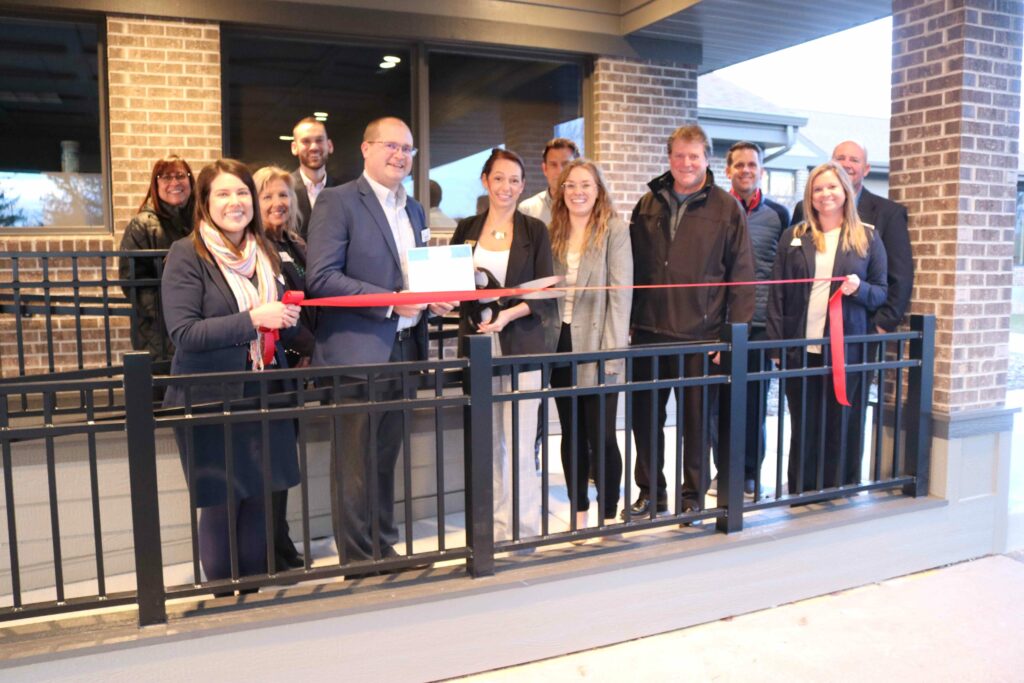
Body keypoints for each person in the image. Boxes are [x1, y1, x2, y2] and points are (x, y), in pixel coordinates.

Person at [306, 117, 453, 564]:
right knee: (354, 463)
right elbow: (322, 279)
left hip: (406, 348)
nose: (400, 155)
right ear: (366, 149)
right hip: (357, 352)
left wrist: (434, 300)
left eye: (408, 148)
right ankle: (358, 559)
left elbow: (415, 279)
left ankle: (383, 546)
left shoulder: (414, 209)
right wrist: (391, 302)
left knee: (386, 457)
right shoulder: (338, 201)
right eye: (391, 146)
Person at [161, 158, 302, 587]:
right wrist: (255, 318)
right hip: (210, 396)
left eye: (242, 192)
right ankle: (226, 601)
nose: (235, 202)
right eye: (222, 193)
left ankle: (254, 599)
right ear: (205, 202)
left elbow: (281, 316)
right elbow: (184, 332)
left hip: (266, 388)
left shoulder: (265, 252)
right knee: (223, 503)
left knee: (262, 499)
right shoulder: (187, 254)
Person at [627, 124, 755, 517]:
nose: (686, 163)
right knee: (645, 419)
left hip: (701, 336)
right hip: (648, 332)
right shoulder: (646, 204)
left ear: (706, 160)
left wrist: (729, 337)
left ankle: (692, 497)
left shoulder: (725, 208)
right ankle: (651, 493)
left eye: (694, 156)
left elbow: (742, 276)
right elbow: (630, 268)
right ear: (670, 158)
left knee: (697, 425)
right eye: (680, 155)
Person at [450, 148, 555, 542]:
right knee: (488, 442)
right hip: (476, 347)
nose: (506, 187)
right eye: (498, 178)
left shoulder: (534, 232)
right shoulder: (466, 230)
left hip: (522, 348)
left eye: (514, 180)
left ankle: (525, 526)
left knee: (521, 440)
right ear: (485, 181)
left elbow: (546, 294)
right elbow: (454, 284)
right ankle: (493, 525)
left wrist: (507, 316)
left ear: (523, 185)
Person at [791, 140, 912, 473]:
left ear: (865, 169)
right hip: (808, 338)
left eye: (853, 159)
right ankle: (804, 482)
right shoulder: (802, 219)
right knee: (806, 414)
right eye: (839, 158)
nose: (846, 164)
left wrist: (880, 327)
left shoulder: (885, 216)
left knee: (847, 412)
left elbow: (898, 277)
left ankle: (840, 481)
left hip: (856, 336)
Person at [767, 161, 887, 494]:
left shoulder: (867, 236)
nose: (825, 194)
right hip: (800, 349)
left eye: (832, 187)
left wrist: (858, 289)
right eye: (818, 189)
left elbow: (881, 292)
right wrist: (776, 347)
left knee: (841, 422)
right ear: (810, 196)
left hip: (845, 350)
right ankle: (802, 491)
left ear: (845, 191)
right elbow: (778, 292)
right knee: (804, 422)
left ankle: (840, 489)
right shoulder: (794, 235)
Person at [547, 158, 631, 530]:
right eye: (571, 185)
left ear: (598, 191)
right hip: (560, 341)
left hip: (599, 342)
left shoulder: (614, 229)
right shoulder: (552, 230)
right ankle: (578, 509)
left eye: (586, 185)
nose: (578, 192)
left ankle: (609, 510)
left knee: (601, 432)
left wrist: (612, 356)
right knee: (571, 432)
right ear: (561, 190)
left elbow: (620, 295)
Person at [709, 142, 789, 497]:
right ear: (727, 170)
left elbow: (782, 271)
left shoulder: (778, 215)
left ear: (761, 171)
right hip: (719, 325)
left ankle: (750, 472)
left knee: (754, 404)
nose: (745, 170)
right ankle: (723, 472)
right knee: (718, 405)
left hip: (758, 326)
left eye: (752, 165)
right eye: (738, 164)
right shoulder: (715, 210)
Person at [254, 165, 316, 571]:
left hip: (298, 365)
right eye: (268, 196)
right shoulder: (256, 248)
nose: (278, 203)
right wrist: (310, 346)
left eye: (283, 195)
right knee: (267, 461)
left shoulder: (297, 242)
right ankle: (266, 546)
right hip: (274, 363)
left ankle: (280, 541)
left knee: (283, 461)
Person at [119, 154, 195, 362]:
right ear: (156, 183)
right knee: (162, 389)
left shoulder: (202, 221)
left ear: (190, 180)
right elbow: (133, 282)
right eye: (165, 177)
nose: (174, 183)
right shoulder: (141, 225)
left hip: (198, 326)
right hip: (157, 332)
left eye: (180, 176)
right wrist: (172, 311)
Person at [291, 117, 339, 239]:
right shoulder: (285, 190)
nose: (314, 147)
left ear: (329, 145)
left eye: (319, 140)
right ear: (294, 148)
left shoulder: (344, 190)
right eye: (306, 141)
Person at [518, 138, 580, 225]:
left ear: (577, 168)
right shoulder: (527, 211)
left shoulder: (589, 209)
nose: (560, 171)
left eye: (566, 164)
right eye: (553, 165)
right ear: (545, 169)